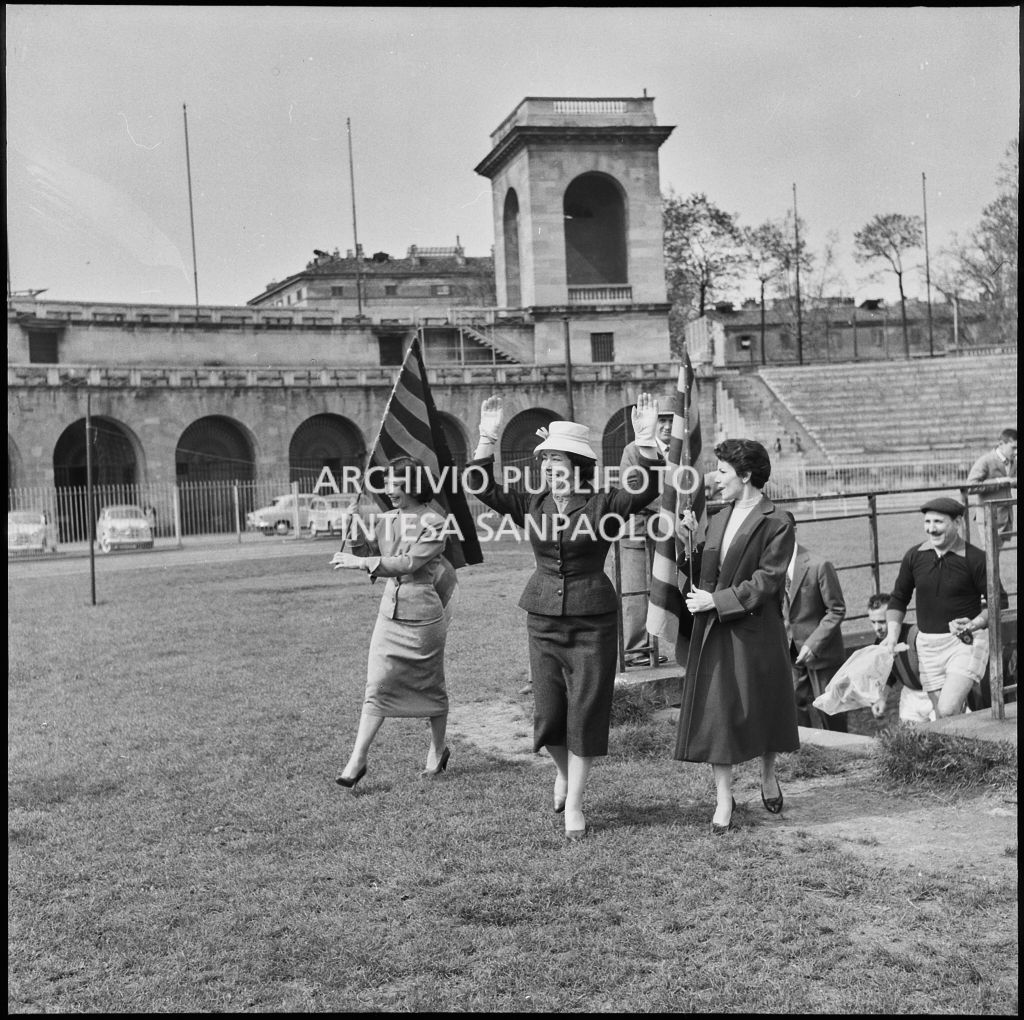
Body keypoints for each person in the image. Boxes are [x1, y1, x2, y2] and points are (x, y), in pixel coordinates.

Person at [467, 392, 663, 840]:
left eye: (558, 464)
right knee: (550, 714)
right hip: (542, 619)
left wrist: (647, 441)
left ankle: (575, 803)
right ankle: (563, 773)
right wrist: (487, 437)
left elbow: (646, 489)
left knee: (586, 711)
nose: (549, 472)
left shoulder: (603, 505)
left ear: (578, 467)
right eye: (545, 464)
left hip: (592, 620)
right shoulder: (532, 504)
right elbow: (482, 488)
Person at [674, 438, 799, 834]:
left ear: (745, 476)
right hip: (717, 629)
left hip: (756, 631)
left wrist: (718, 600)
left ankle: (766, 773)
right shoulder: (718, 516)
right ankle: (723, 798)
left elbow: (767, 581)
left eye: (723, 471)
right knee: (718, 715)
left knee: (763, 707)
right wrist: (690, 543)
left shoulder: (778, 521)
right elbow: (706, 574)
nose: (715, 478)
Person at [331, 456, 458, 789]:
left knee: (431, 685)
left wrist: (361, 562)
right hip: (389, 615)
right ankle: (357, 761)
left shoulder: (434, 520)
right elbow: (370, 551)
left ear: (413, 485)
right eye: (387, 483)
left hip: (423, 618)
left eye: (395, 484)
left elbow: (407, 562)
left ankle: (437, 749)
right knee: (377, 683)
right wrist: (353, 528)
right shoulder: (387, 519)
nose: (389, 490)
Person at [883, 496, 1004, 719]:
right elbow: (899, 598)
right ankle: (967, 740)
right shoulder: (914, 556)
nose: (931, 529)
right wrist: (891, 636)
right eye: (927, 522)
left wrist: (975, 623)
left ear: (958, 523)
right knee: (942, 716)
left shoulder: (976, 559)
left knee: (947, 709)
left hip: (965, 642)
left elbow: (999, 601)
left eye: (938, 522)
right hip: (927, 646)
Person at [616, 398, 673, 667]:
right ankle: (636, 649)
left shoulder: (679, 452)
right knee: (635, 589)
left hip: (668, 530)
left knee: (666, 587)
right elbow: (634, 490)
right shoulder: (633, 450)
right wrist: (669, 509)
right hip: (636, 528)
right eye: (661, 420)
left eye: (671, 421)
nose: (665, 426)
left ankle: (661, 644)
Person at [780, 511, 848, 732]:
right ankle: (804, 750)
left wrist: (813, 643)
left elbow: (836, 609)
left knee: (830, 708)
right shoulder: (771, 569)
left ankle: (843, 751)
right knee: (792, 705)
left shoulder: (819, 565)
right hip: (790, 653)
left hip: (822, 653)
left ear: (794, 532)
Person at [866, 593, 934, 724]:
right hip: (910, 694)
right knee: (908, 739)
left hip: (934, 692)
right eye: (873, 622)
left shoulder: (915, 635)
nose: (877, 628)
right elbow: (888, 675)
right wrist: (881, 698)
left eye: (882, 621)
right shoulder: (879, 643)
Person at [966, 428, 1017, 550]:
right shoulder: (985, 460)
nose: (1016, 452)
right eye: (1013, 448)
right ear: (1001, 444)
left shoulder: (1013, 461)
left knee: (994, 556)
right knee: (989, 556)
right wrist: (999, 481)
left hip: (1005, 517)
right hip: (987, 517)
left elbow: (1012, 481)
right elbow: (970, 486)